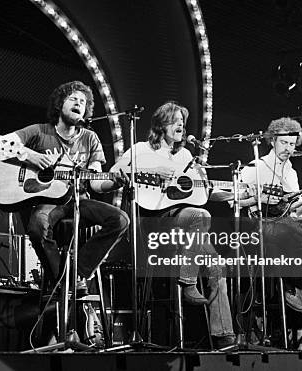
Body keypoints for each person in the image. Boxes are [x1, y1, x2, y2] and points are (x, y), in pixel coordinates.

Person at [110, 101, 235, 348]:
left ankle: (223, 335)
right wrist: (155, 169)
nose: (181, 124)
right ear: (160, 125)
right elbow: (116, 170)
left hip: (187, 226)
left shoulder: (187, 156)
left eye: (183, 121)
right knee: (201, 216)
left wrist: (235, 192)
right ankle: (187, 281)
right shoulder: (141, 149)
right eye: (175, 120)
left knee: (217, 266)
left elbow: (202, 193)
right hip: (155, 223)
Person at [0, 81, 129, 293]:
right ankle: (61, 280)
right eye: (73, 99)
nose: (78, 103)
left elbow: (96, 183)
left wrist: (115, 182)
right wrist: (31, 156)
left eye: (83, 102)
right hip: (48, 203)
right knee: (37, 227)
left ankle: (77, 273)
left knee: (120, 220)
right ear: (59, 104)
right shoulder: (39, 132)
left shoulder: (90, 139)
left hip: (78, 200)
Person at [239, 117, 302, 318]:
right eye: (284, 142)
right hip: (260, 225)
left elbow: (294, 214)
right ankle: (291, 290)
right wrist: (258, 198)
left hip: (286, 224)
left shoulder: (291, 173)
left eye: (292, 144)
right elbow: (233, 200)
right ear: (273, 141)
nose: (288, 148)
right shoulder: (256, 167)